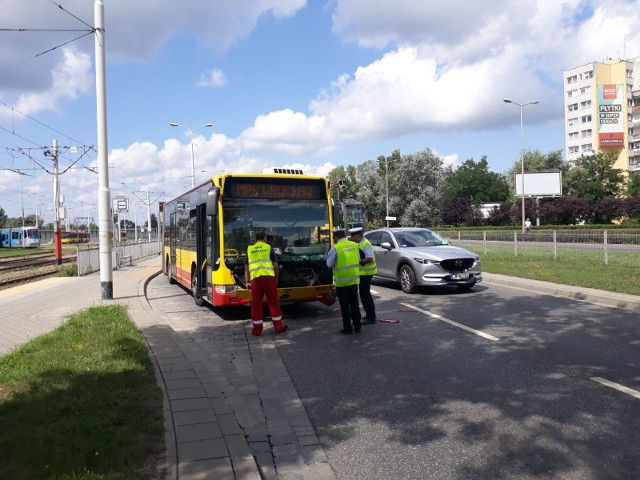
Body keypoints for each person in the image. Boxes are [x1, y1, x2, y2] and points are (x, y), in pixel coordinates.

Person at [244, 230, 286, 336]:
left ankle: (257, 330)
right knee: (273, 302)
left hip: (255, 280)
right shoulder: (268, 248)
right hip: (268, 279)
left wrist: (247, 281)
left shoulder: (250, 249)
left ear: (256, 238)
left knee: (256, 304)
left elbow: (246, 267)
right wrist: (276, 279)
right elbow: (275, 265)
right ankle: (279, 327)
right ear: (265, 238)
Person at [326, 228, 362, 334]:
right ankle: (358, 326)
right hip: (354, 280)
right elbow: (358, 260)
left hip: (342, 282)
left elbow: (329, 264)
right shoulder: (355, 245)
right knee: (354, 304)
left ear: (336, 238)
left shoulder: (336, 248)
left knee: (345, 306)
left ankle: (347, 328)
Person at [348, 227, 378, 325]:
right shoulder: (360, 242)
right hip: (363, 273)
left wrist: (358, 262)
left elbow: (370, 259)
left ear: (358, 235)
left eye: (353, 236)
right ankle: (370, 315)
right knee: (365, 295)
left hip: (366, 273)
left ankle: (371, 317)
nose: (352, 238)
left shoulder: (365, 244)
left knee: (365, 296)